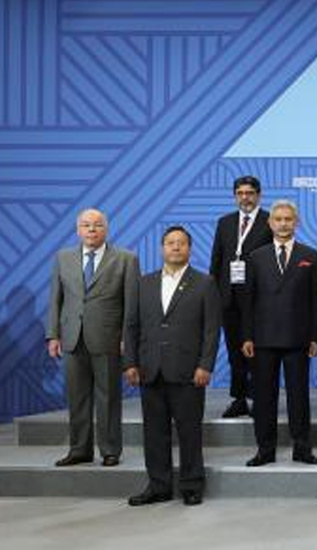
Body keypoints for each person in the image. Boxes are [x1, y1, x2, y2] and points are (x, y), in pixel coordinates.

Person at [122, 226, 220, 506]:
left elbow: (212, 330)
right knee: (154, 433)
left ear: (190, 248)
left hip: (189, 371)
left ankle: (191, 485)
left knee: (189, 431)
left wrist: (205, 365)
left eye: (181, 243)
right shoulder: (143, 283)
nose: (175, 247)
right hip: (149, 369)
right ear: (162, 248)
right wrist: (130, 362)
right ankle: (158, 486)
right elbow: (131, 325)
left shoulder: (204, 283)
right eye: (170, 243)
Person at [46, 209, 138, 467]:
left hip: (108, 337)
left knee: (108, 397)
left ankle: (110, 450)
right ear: (78, 230)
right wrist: (53, 335)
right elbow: (55, 299)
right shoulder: (63, 258)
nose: (91, 230)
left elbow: (131, 304)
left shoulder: (125, 259)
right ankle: (79, 449)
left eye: (97, 225)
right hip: (72, 337)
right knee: (77, 397)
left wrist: (127, 339)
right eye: (86, 225)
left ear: (106, 230)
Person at [239, 200, 317, 466]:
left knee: (299, 396)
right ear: (270, 223)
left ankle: (302, 447)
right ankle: (265, 449)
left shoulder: (310, 255)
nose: (283, 223)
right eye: (279, 219)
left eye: (288, 219)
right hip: (262, 339)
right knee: (264, 397)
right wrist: (247, 336)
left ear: (296, 222)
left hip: (298, 338)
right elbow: (247, 301)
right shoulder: (256, 256)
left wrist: (315, 337)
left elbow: (315, 301)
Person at [208, 175, 269, 419]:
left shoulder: (269, 221)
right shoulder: (225, 222)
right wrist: (214, 293)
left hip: (258, 299)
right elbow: (217, 260)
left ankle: (260, 398)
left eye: (250, 193)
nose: (245, 198)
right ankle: (239, 398)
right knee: (235, 351)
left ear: (258, 195)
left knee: (257, 351)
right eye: (240, 193)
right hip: (229, 298)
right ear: (235, 196)